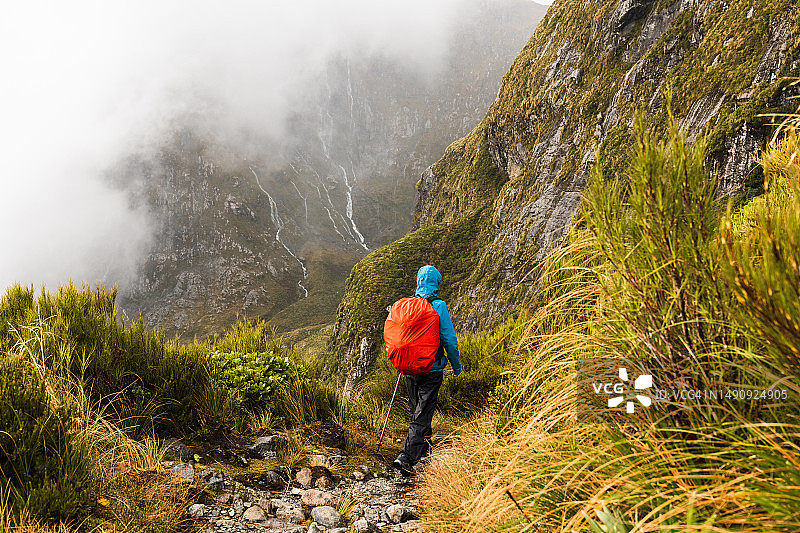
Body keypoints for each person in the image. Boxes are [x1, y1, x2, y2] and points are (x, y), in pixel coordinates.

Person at [393, 265, 461, 477]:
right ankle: (406, 458)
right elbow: (449, 339)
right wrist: (456, 365)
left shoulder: (408, 306)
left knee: (417, 411)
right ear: (436, 283)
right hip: (432, 369)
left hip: (410, 368)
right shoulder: (438, 306)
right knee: (422, 414)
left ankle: (423, 453)